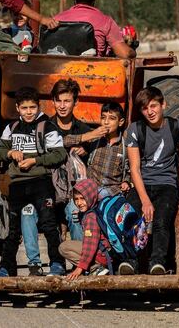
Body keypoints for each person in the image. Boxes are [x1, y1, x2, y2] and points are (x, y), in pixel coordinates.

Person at [120, 86, 179, 276]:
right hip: (142, 184)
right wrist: (144, 200)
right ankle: (130, 261)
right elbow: (135, 169)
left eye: (153, 106)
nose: (150, 112)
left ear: (163, 105)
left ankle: (157, 262)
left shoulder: (177, 127)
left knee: (162, 219)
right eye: (145, 108)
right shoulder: (135, 130)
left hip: (166, 184)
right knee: (131, 216)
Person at [0, 87, 67, 277]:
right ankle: (6, 267)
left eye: (32, 107)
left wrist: (35, 160)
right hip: (17, 184)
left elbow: (60, 154)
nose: (29, 112)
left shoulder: (48, 127)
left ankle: (57, 264)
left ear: (39, 106)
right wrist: (11, 152)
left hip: (41, 182)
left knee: (49, 224)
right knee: (12, 229)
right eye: (24, 108)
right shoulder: (11, 128)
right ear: (17, 108)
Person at [50, 78, 107, 241]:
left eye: (67, 101)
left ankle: (81, 259)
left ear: (76, 102)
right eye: (58, 101)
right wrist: (86, 137)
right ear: (53, 101)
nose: (62, 106)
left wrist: (85, 150)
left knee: (76, 214)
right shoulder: (46, 126)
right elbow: (55, 143)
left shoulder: (81, 127)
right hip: (51, 187)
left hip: (76, 189)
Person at [53, 0, 135, 58]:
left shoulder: (56, 20)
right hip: (94, 70)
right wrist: (132, 51)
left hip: (61, 69)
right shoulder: (106, 21)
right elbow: (125, 54)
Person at [58, 178, 112, 280]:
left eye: (83, 198)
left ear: (90, 197)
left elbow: (90, 245)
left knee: (64, 247)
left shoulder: (91, 217)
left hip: (102, 256)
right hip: (105, 253)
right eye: (76, 199)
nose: (79, 203)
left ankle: (95, 268)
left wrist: (80, 268)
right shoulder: (96, 207)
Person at [87, 102, 131, 200]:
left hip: (112, 191)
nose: (106, 122)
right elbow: (67, 141)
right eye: (103, 117)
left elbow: (131, 169)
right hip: (91, 188)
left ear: (120, 122)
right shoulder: (94, 140)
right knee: (71, 209)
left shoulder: (126, 146)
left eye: (112, 118)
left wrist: (126, 181)